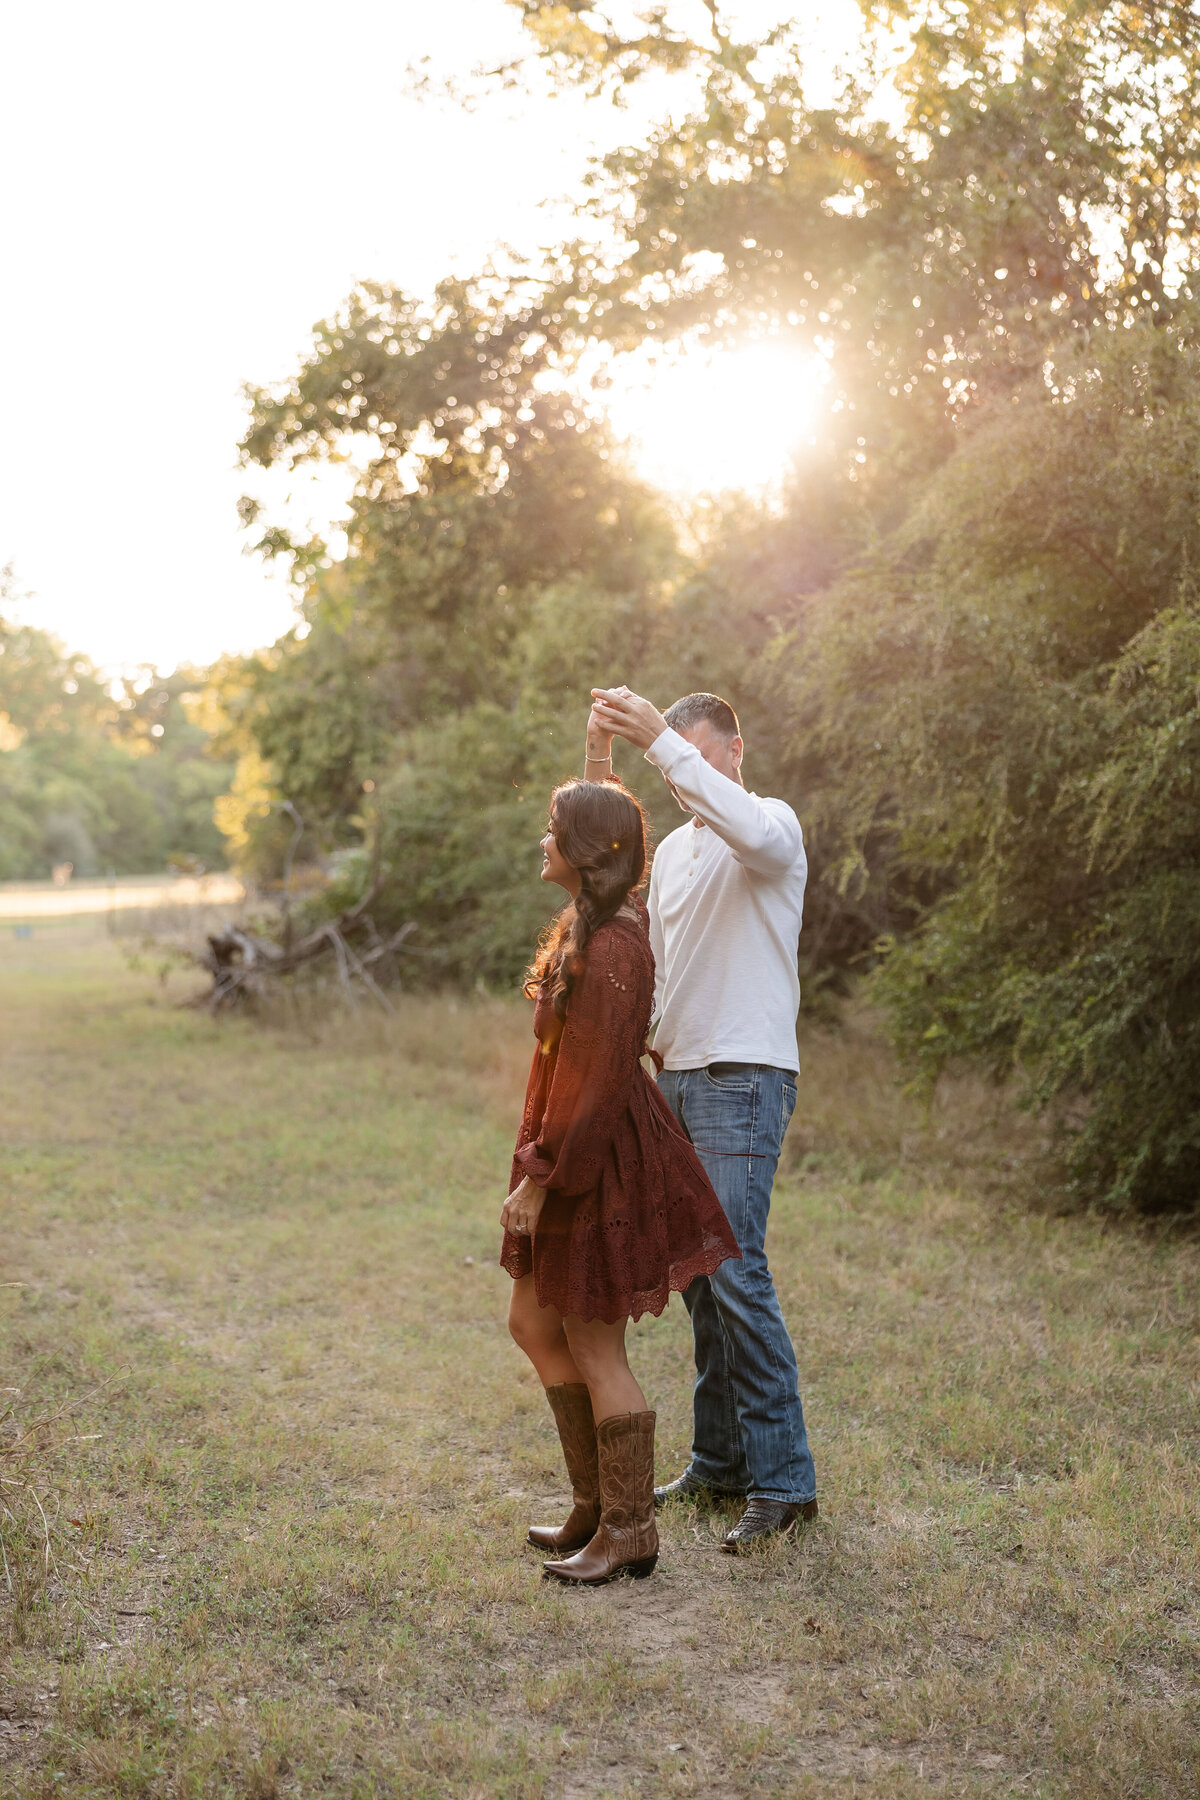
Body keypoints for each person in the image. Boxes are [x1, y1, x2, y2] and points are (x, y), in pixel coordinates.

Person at [585, 687, 818, 1552]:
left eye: (691, 753)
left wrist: (660, 741)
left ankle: (786, 1483)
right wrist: (606, 754)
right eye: (672, 754)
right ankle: (720, 1463)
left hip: (741, 1077)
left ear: (733, 751)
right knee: (696, 1278)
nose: (680, 770)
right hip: (675, 1079)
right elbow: (603, 860)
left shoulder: (770, 827)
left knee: (736, 1273)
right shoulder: (678, 854)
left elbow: (743, 828)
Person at [501, 776, 741, 1585]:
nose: (542, 839)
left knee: (594, 1344)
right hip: (565, 1148)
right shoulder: (592, 924)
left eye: (552, 828)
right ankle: (596, 1503)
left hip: (593, 1161)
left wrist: (540, 1179)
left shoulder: (613, 949)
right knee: (534, 1324)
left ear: (585, 852)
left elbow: (596, 1085)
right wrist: (597, 753)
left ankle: (630, 1529)